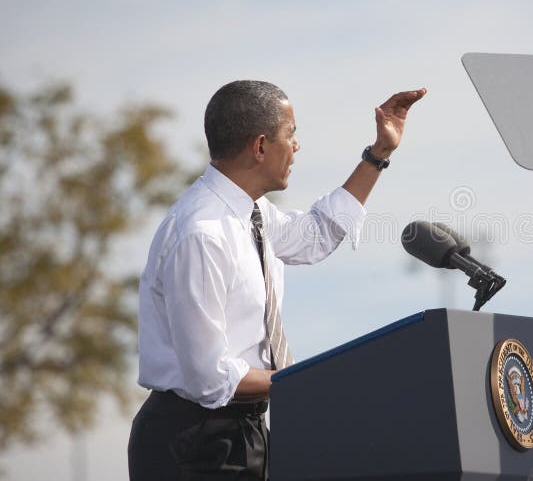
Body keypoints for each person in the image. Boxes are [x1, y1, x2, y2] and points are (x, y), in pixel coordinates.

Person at [127, 80, 426, 480]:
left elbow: (316, 235)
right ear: (261, 146)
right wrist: (308, 380)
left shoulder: (250, 212)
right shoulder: (202, 233)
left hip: (242, 430)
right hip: (192, 444)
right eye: (292, 134)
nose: (297, 146)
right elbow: (210, 377)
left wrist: (379, 153)